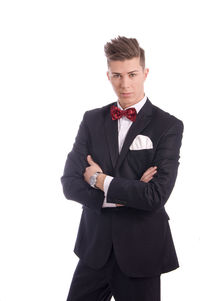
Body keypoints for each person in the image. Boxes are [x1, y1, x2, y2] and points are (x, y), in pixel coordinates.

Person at [61, 36, 184, 301]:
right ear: (108, 75)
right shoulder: (92, 119)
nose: (125, 84)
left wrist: (99, 179)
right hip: (94, 250)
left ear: (145, 72)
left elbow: (156, 196)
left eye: (132, 74)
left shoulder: (168, 126)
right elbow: (70, 183)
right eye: (117, 75)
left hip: (142, 253)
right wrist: (125, 194)